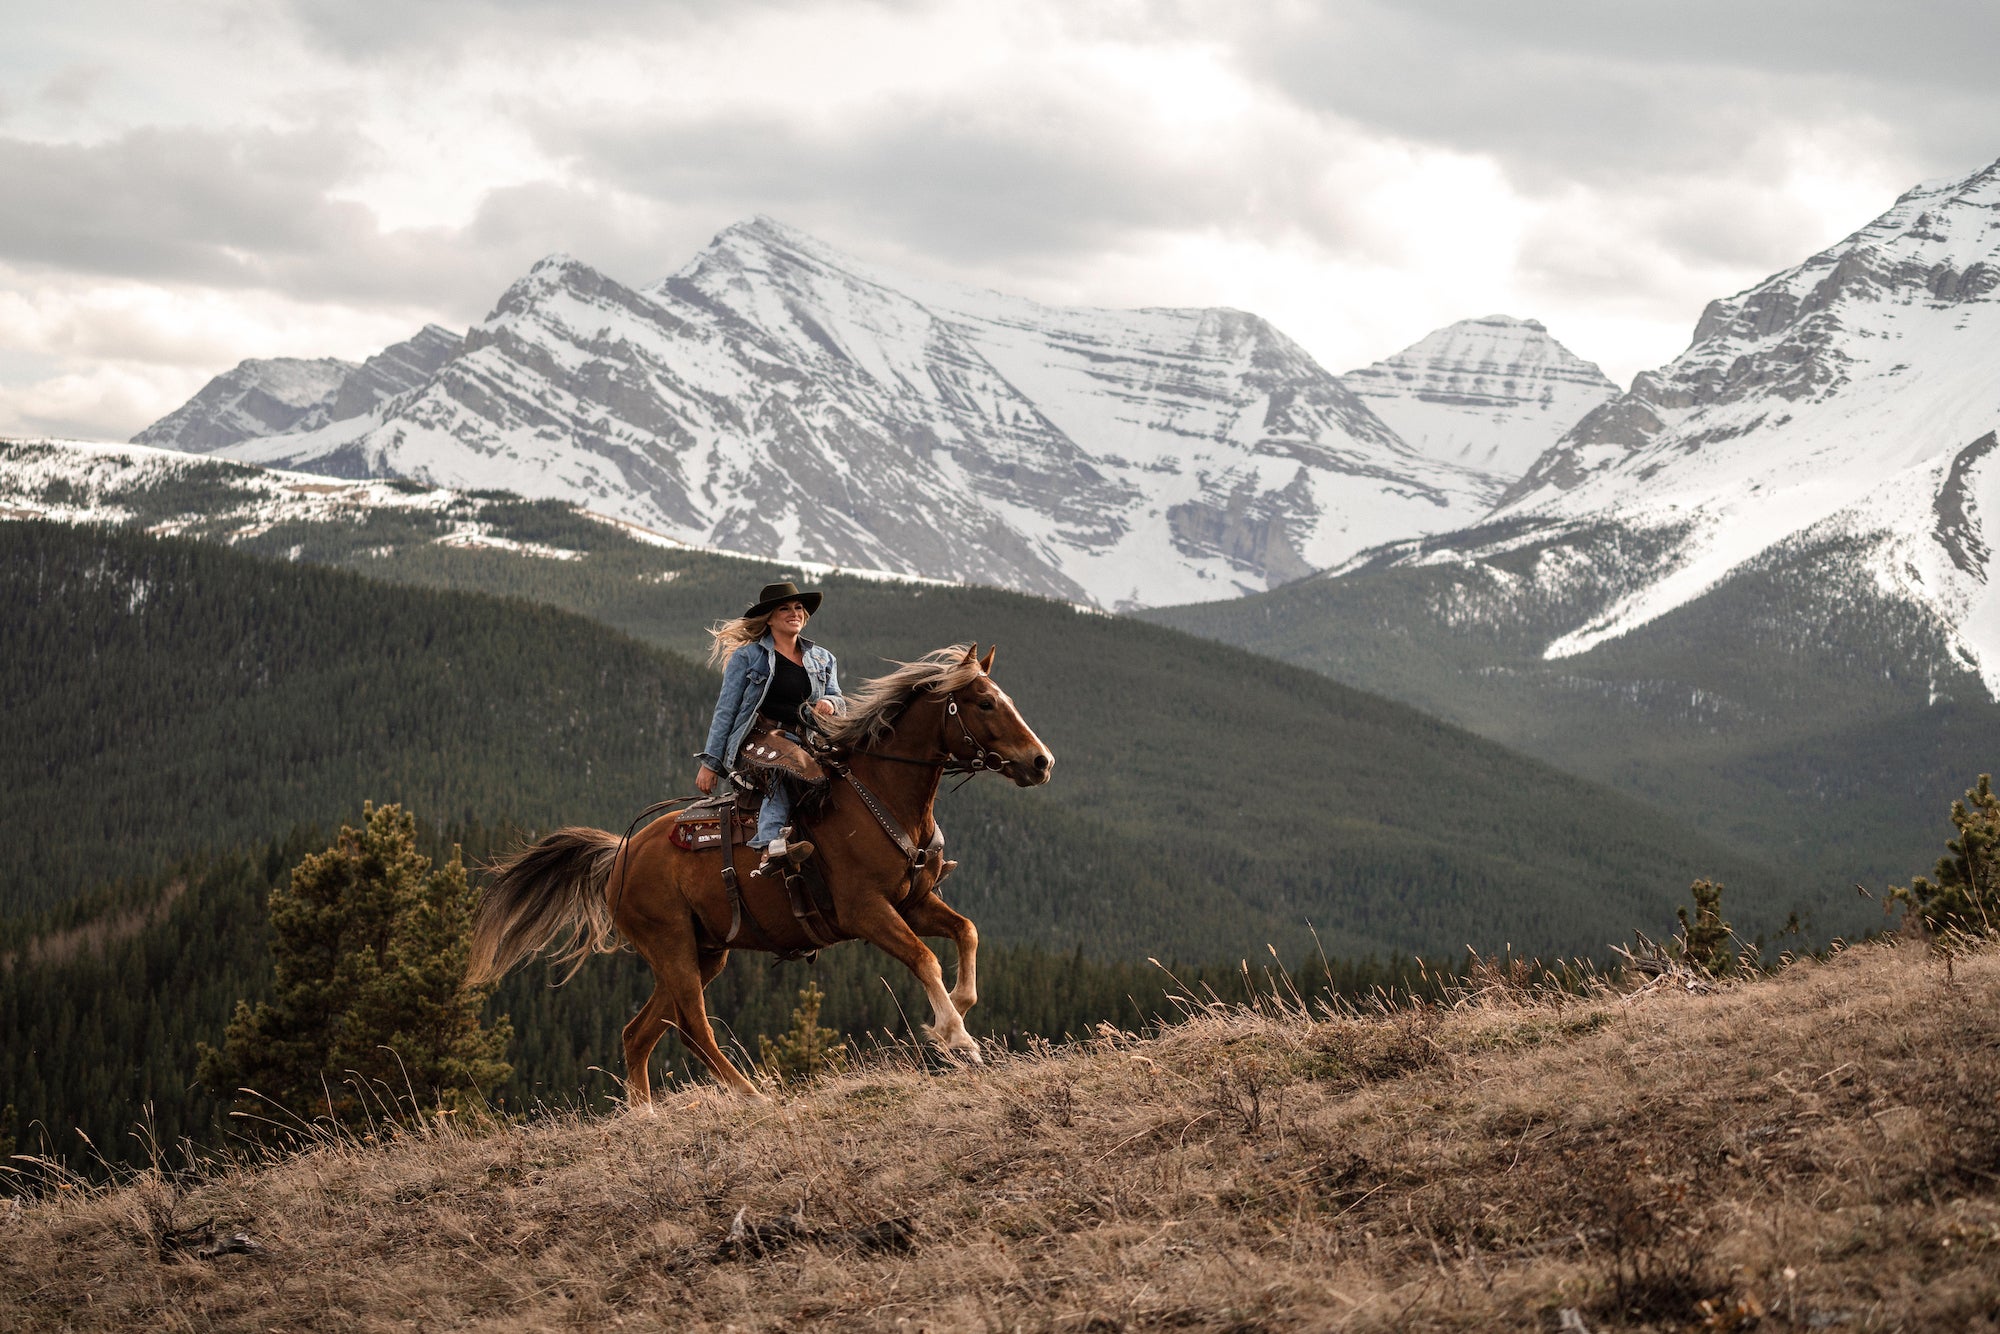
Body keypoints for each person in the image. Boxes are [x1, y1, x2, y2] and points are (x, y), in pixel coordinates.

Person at [695, 580, 844, 876]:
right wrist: (711, 763)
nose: (794, 613)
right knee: (785, 770)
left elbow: (838, 697)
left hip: (807, 739)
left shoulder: (823, 658)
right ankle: (771, 845)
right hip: (761, 738)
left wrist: (829, 702)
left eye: (798, 607)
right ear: (770, 618)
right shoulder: (748, 657)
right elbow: (726, 710)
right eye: (785, 608)